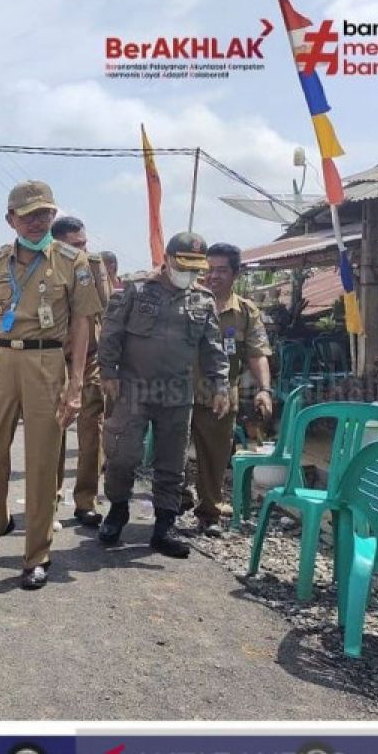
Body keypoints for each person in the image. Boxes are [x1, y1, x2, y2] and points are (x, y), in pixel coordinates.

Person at [0, 180, 101, 590]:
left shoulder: (73, 263)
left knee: (42, 461)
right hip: (2, 359)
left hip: (47, 360)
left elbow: (82, 325)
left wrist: (75, 384)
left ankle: (36, 554)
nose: (39, 222)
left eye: (45, 214)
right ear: (11, 219)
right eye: (29, 215)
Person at [98, 232, 229, 558]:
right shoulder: (136, 288)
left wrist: (220, 384)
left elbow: (213, 348)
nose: (190, 275)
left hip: (176, 391)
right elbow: (111, 332)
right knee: (123, 454)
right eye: (183, 266)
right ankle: (117, 510)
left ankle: (164, 526)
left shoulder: (203, 299)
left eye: (196, 269)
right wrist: (108, 373)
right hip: (133, 387)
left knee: (172, 462)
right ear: (167, 260)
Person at [189, 243, 273, 537]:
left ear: (235, 273)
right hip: (178, 391)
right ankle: (169, 508)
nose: (213, 276)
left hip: (221, 396)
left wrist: (264, 389)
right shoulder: (187, 302)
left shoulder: (246, 312)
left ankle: (209, 513)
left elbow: (257, 352)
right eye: (208, 270)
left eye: (221, 270)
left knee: (215, 457)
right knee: (170, 454)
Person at [50, 215, 111, 526]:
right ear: (57, 245)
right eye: (75, 246)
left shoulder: (95, 266)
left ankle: (85, 501)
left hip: (90, 360)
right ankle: (51, 497)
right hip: (54, 360)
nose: (82, 251)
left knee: (91, 432)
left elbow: (107, 312)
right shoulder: (43, 266)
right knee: (53, 430)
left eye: (84, 244)